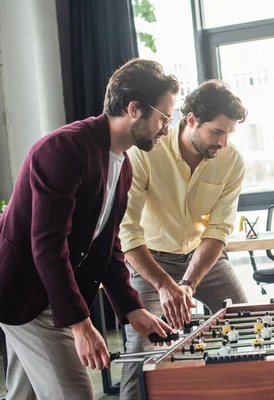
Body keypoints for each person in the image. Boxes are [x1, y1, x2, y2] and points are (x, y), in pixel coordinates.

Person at [0, 59, 178, 398]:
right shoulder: (65, 150)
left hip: (49, 290)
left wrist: (131, 307)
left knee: (24, 395)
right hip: (22, 289)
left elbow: (107, 246)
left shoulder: (122, 164)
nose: (166, 130)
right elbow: (48, 246)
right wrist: (81, 326)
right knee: (74, 394)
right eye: (163, 118)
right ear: (135, 108)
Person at [119, 79, 249, 398]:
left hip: (203, 258)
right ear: (190, 119)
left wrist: (188, 283)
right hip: (150, 260)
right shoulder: (145, 152)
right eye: (217, 132)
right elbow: (127, 230)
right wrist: (165, 285)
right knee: (142, 347)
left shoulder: (232, 161)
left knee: (244, 321)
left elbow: (218, 230)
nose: (223, 142)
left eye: (229, 133)